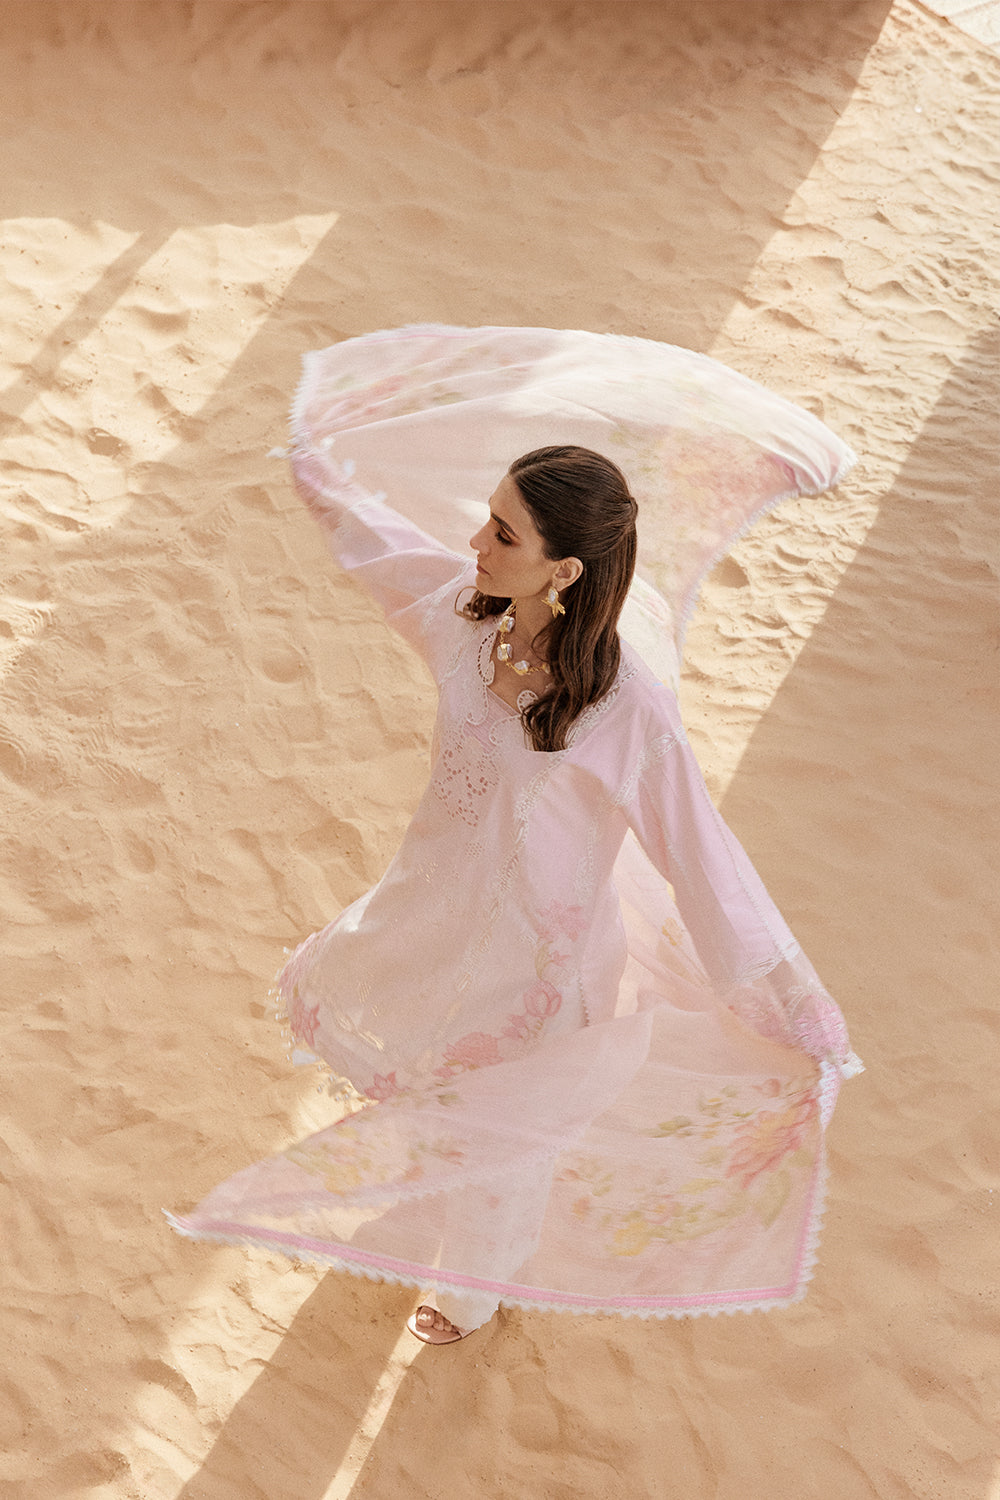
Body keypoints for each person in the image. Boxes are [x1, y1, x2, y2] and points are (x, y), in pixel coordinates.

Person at [169, 440, 859, 1345]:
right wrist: (323, 481)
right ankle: (436, 1198)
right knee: (427, 1090)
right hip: (426, 917)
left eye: (503, 533)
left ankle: (474, 1289)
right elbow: (387, 554)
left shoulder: (627, 710)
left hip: (538, 967)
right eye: (487, 519)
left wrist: (791, 999)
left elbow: (702, 856)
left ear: (563, 571)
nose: (476, 543)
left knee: (506, 1142)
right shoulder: (465, 619)